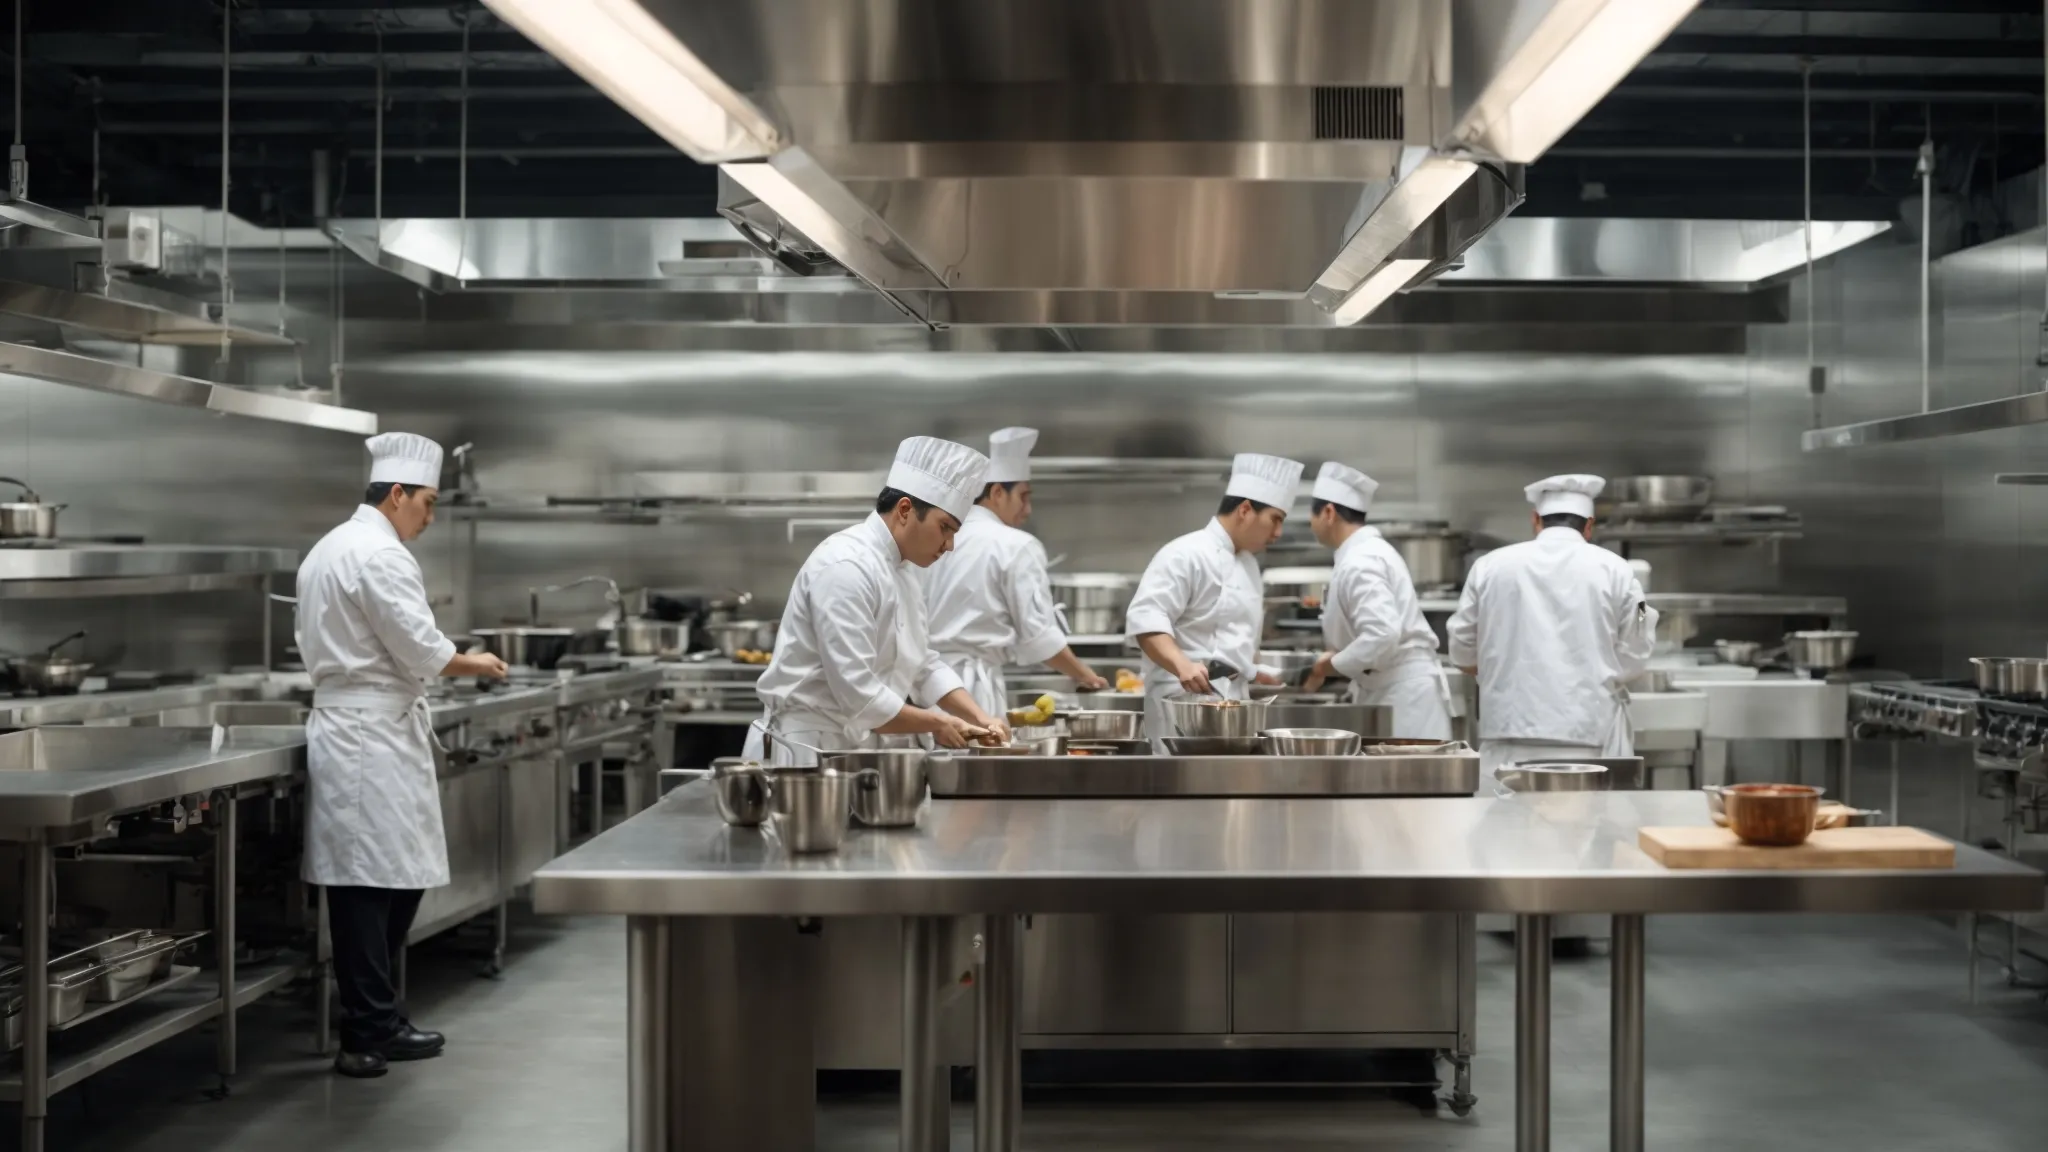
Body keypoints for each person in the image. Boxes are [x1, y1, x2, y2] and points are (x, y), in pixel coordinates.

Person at [297, 432, 511, 1080]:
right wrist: (478, 662)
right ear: (397, 495)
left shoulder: (331, 547)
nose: (431, 516)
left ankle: (381, 1018)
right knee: (368, 886)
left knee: (391, 879)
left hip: (370, 728)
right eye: (427, 502)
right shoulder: (378, 554)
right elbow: (422, 649)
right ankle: (365, 1033)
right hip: (368, 735)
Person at [746, 436, 1012, 766]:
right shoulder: (846, 567)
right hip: (803, 751)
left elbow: (923, 665)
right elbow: (858, 696)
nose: (949, 545)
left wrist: (981, 717)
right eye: (945, 528)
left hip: (852, 748)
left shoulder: (904, 570)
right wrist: (938, 722)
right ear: (904, 510)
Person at [1446, 474, 1659, 783]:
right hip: (1586, 735)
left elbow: (1462, 650)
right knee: (1580, 826)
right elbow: (1639, 643)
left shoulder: (1489, 566)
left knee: (1503, 826)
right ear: (1589, 525)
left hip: (1507, 732)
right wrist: (1603, 673)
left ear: (1536, 520)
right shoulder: (1617, 570)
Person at [927, 427, 1108, 715]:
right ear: (997, 492)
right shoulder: (1017, 545)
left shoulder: (937, 534)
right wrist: (1086, 675)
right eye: (1023, 496)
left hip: (923, 689)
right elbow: (1038, 637)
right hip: (970, 691)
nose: (1027, 509)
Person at [1126, 453, 1303, 745]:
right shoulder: (1184, 554)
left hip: (1236, 711)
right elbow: (1147, 622)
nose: (1278, 533)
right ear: (1245, 510)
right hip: (1181, 708)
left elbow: (1230, 644)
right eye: (1275, 520)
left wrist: (1256, 673)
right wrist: (1182, 664)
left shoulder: (1249, 566)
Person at [1299, 462, 1454, 740]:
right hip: (1392, 692)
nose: (1311, 524)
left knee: (1409, 782)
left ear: (1329, 513)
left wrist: (1327, 666)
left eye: (1312, 515)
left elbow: (1382, 633)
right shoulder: (1363, 554)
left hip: (1404, 703)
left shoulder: (1360, 561)